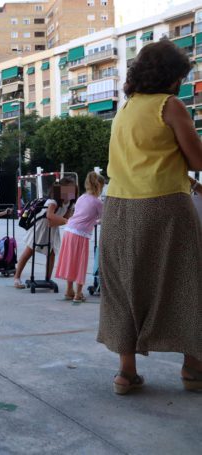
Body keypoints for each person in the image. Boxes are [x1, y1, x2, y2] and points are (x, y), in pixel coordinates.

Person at [97, 39, 202, 395]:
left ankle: (126, 373)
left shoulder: (124, 110)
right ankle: (193, 367)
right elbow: (198, 159)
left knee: (124, 284)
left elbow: (141, 162)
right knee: (185, 281)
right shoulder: (170, 106)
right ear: (172, 77)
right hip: (164, 207)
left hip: (117, 208)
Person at [13, 178, 77, 289]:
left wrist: (65, 220)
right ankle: (16, 277)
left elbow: (65, 217)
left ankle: (48, 279)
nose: (70, 193)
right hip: (40, 228)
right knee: (29, 251)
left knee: (51, 253)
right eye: (67, 190)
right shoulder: (53, 201)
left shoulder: (70, 203)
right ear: (61, 190)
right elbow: (50, 216)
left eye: (72, 190)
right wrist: (66, 221)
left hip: (52, 229)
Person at [54, 172, 105, 303]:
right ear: (99, 186)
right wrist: (97, 221)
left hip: (69, 230)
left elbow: (82, 214)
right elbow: (104, 218)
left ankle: (69, 290)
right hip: (80, 234)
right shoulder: (98, 202)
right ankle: (78, 293)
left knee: (71, 261)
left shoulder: (82, 197)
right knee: (80, 262)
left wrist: (94, 221)